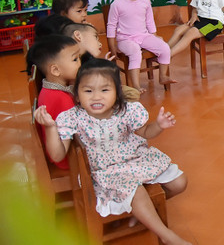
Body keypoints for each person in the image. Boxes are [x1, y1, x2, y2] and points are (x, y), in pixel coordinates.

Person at [34, 59, 189, 245]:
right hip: (106, 171)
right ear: (77, 94)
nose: (96, 97)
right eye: (88, 91)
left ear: (117, 92)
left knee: (179, 182)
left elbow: (146, 132)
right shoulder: (72, 117)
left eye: (105, 90)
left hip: (134, 158)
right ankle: (167, 236)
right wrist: (51, 128)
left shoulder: (127, 110)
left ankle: (142, 214)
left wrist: (159, 125)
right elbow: (57, 155)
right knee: (135, 190)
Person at [107, 0, 174, 91]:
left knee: (165, 48)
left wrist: (154, 35)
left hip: (143, 36)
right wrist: (112, 46)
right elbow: (111, 25)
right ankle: (136, 86)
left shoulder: (145, 0)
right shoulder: (117, 3)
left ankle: (163, 76)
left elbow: (149, 20)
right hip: (125, 39)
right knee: (135, 52)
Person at [28, 34, 81, 169]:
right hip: (71, 159)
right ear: (55, 70)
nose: (80, 63)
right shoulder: (62, 100)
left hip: (64, 151)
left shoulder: (49, 89)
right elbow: (60, 153)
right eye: (75, 59)